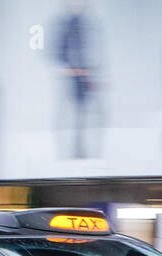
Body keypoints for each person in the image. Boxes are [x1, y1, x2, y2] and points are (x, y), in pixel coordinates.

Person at [54, 0, 103, 159]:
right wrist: (71, 69)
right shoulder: (66, 25)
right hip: (73, 77)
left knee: (85, 114)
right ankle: (72, 150)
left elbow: (93, 51)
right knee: (73, 114)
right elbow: (58, 51)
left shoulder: (88, 24)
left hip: (85, 76)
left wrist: (91, 72)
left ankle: (81, 149)